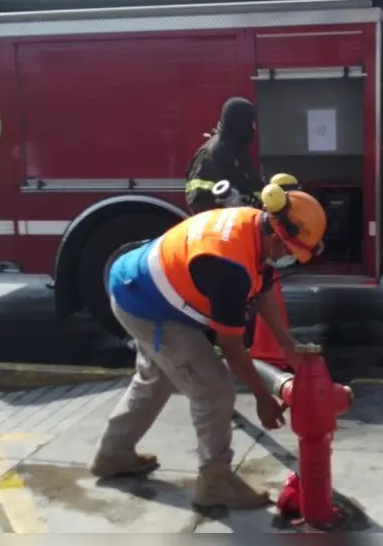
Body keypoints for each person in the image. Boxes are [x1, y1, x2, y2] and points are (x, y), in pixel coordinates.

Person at [89, 184, 327, 511]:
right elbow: (230, 346)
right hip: (146, 304)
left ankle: (112, 455)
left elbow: (265, 289)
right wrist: (262, 397)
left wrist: (288, 345)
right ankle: (214, 481)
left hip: (140, 283)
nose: (287, 260)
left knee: (156, 379)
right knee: (213, 388)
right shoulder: (228, 267)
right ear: (276, 236)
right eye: (289, 252)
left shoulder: (258, 224)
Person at [185, 97, 265, 214]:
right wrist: (228, 207)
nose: (254, 128)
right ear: (238, 124)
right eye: (250, 124)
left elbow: (252, 188)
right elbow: (197, 201)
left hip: (245, 222)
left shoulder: (237, 149)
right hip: (222, 227)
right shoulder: (211, 155)